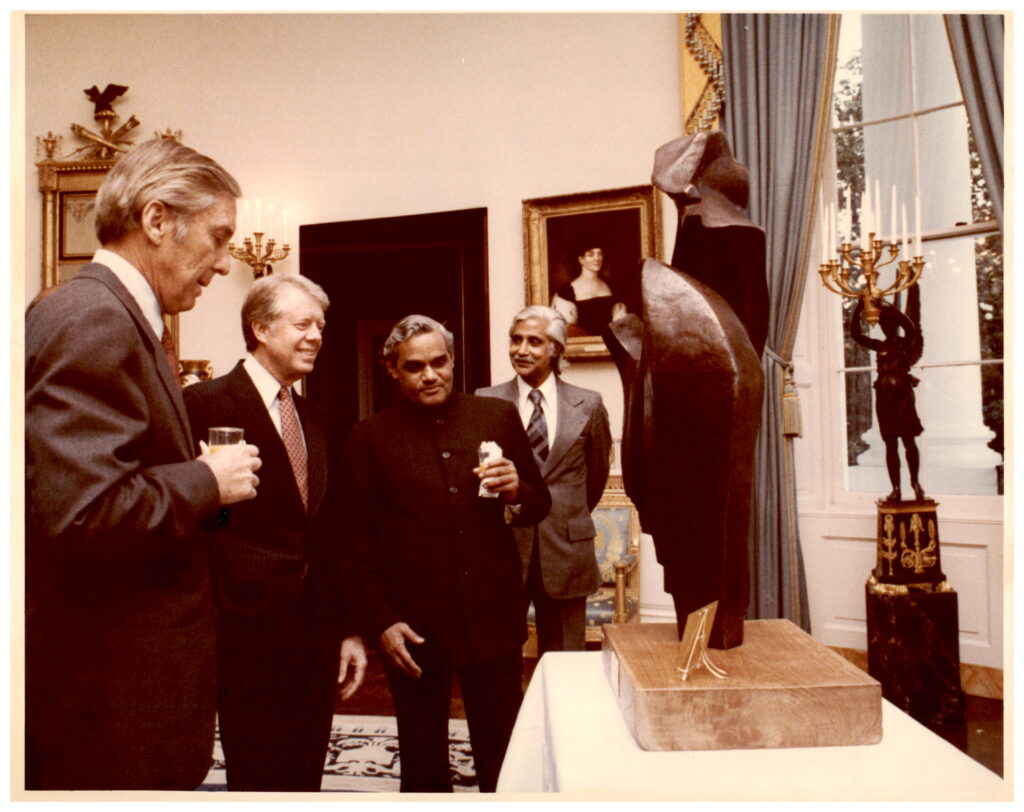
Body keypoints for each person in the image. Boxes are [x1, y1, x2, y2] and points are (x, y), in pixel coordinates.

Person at [25, 138, 262, 790]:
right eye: (216, 238)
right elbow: (81, 514)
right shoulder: (93, 317)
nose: (222, 263)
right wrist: (207, 480)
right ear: (157, 221)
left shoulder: (120, 315)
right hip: (109, 704)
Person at [344, 315, 550, 792]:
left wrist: (518, 487)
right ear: (391, 369)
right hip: (415, 626)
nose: (430, 374)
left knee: (504, 751)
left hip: (492, 615)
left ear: (453, 360)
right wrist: (380, 622)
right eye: (415, 366)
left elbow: (541, 500)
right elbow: (355, 541)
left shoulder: (495, 416)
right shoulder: (368, 438)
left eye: (439, 362)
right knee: (422, 759)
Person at [183, 274, 367, 791]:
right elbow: (190, 519)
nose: (316, 336)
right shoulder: (204, 405)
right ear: (260, 327)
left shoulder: (318, 418)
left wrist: (348, 628)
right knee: (258, 773)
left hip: (314, 628)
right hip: (241, 626)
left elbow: (333, 531)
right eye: (303, 323)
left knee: (305, 769)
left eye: (321, 327)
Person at [476, 306, 611, 654]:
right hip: (504, 547)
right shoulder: (485, 401)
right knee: (499, 655)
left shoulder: (588, 404)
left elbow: (595, 479)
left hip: (567, 548)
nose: (521, 350)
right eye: (516, 340)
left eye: (534, 341)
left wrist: (564, 513)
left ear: (556, 349)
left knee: (567, 660)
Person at [652, 129, 769, 357]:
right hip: (705, 341)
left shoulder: (743, 234)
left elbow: (755, 312)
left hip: (719, 342)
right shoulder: (695, 219)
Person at [849, 296, 926, 502]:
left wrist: (891, 308)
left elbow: (911, 329)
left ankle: (916, 483)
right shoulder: (879, 345)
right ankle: (896, 488)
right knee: (890, 443)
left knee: (909, 441)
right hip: (884, 399)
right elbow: (855, 334)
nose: (886, 327)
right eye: (883, 324)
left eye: (890, 323)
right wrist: (858, 308)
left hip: (903, 397)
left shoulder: (904, 344)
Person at [551, 245, 626, 336]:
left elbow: (622, 323)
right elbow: (564, 330)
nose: (597, 258)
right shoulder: (566, 291)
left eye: (600, 254)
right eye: (591, 255)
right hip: (583, 346)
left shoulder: (612, 286)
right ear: (581, 260)